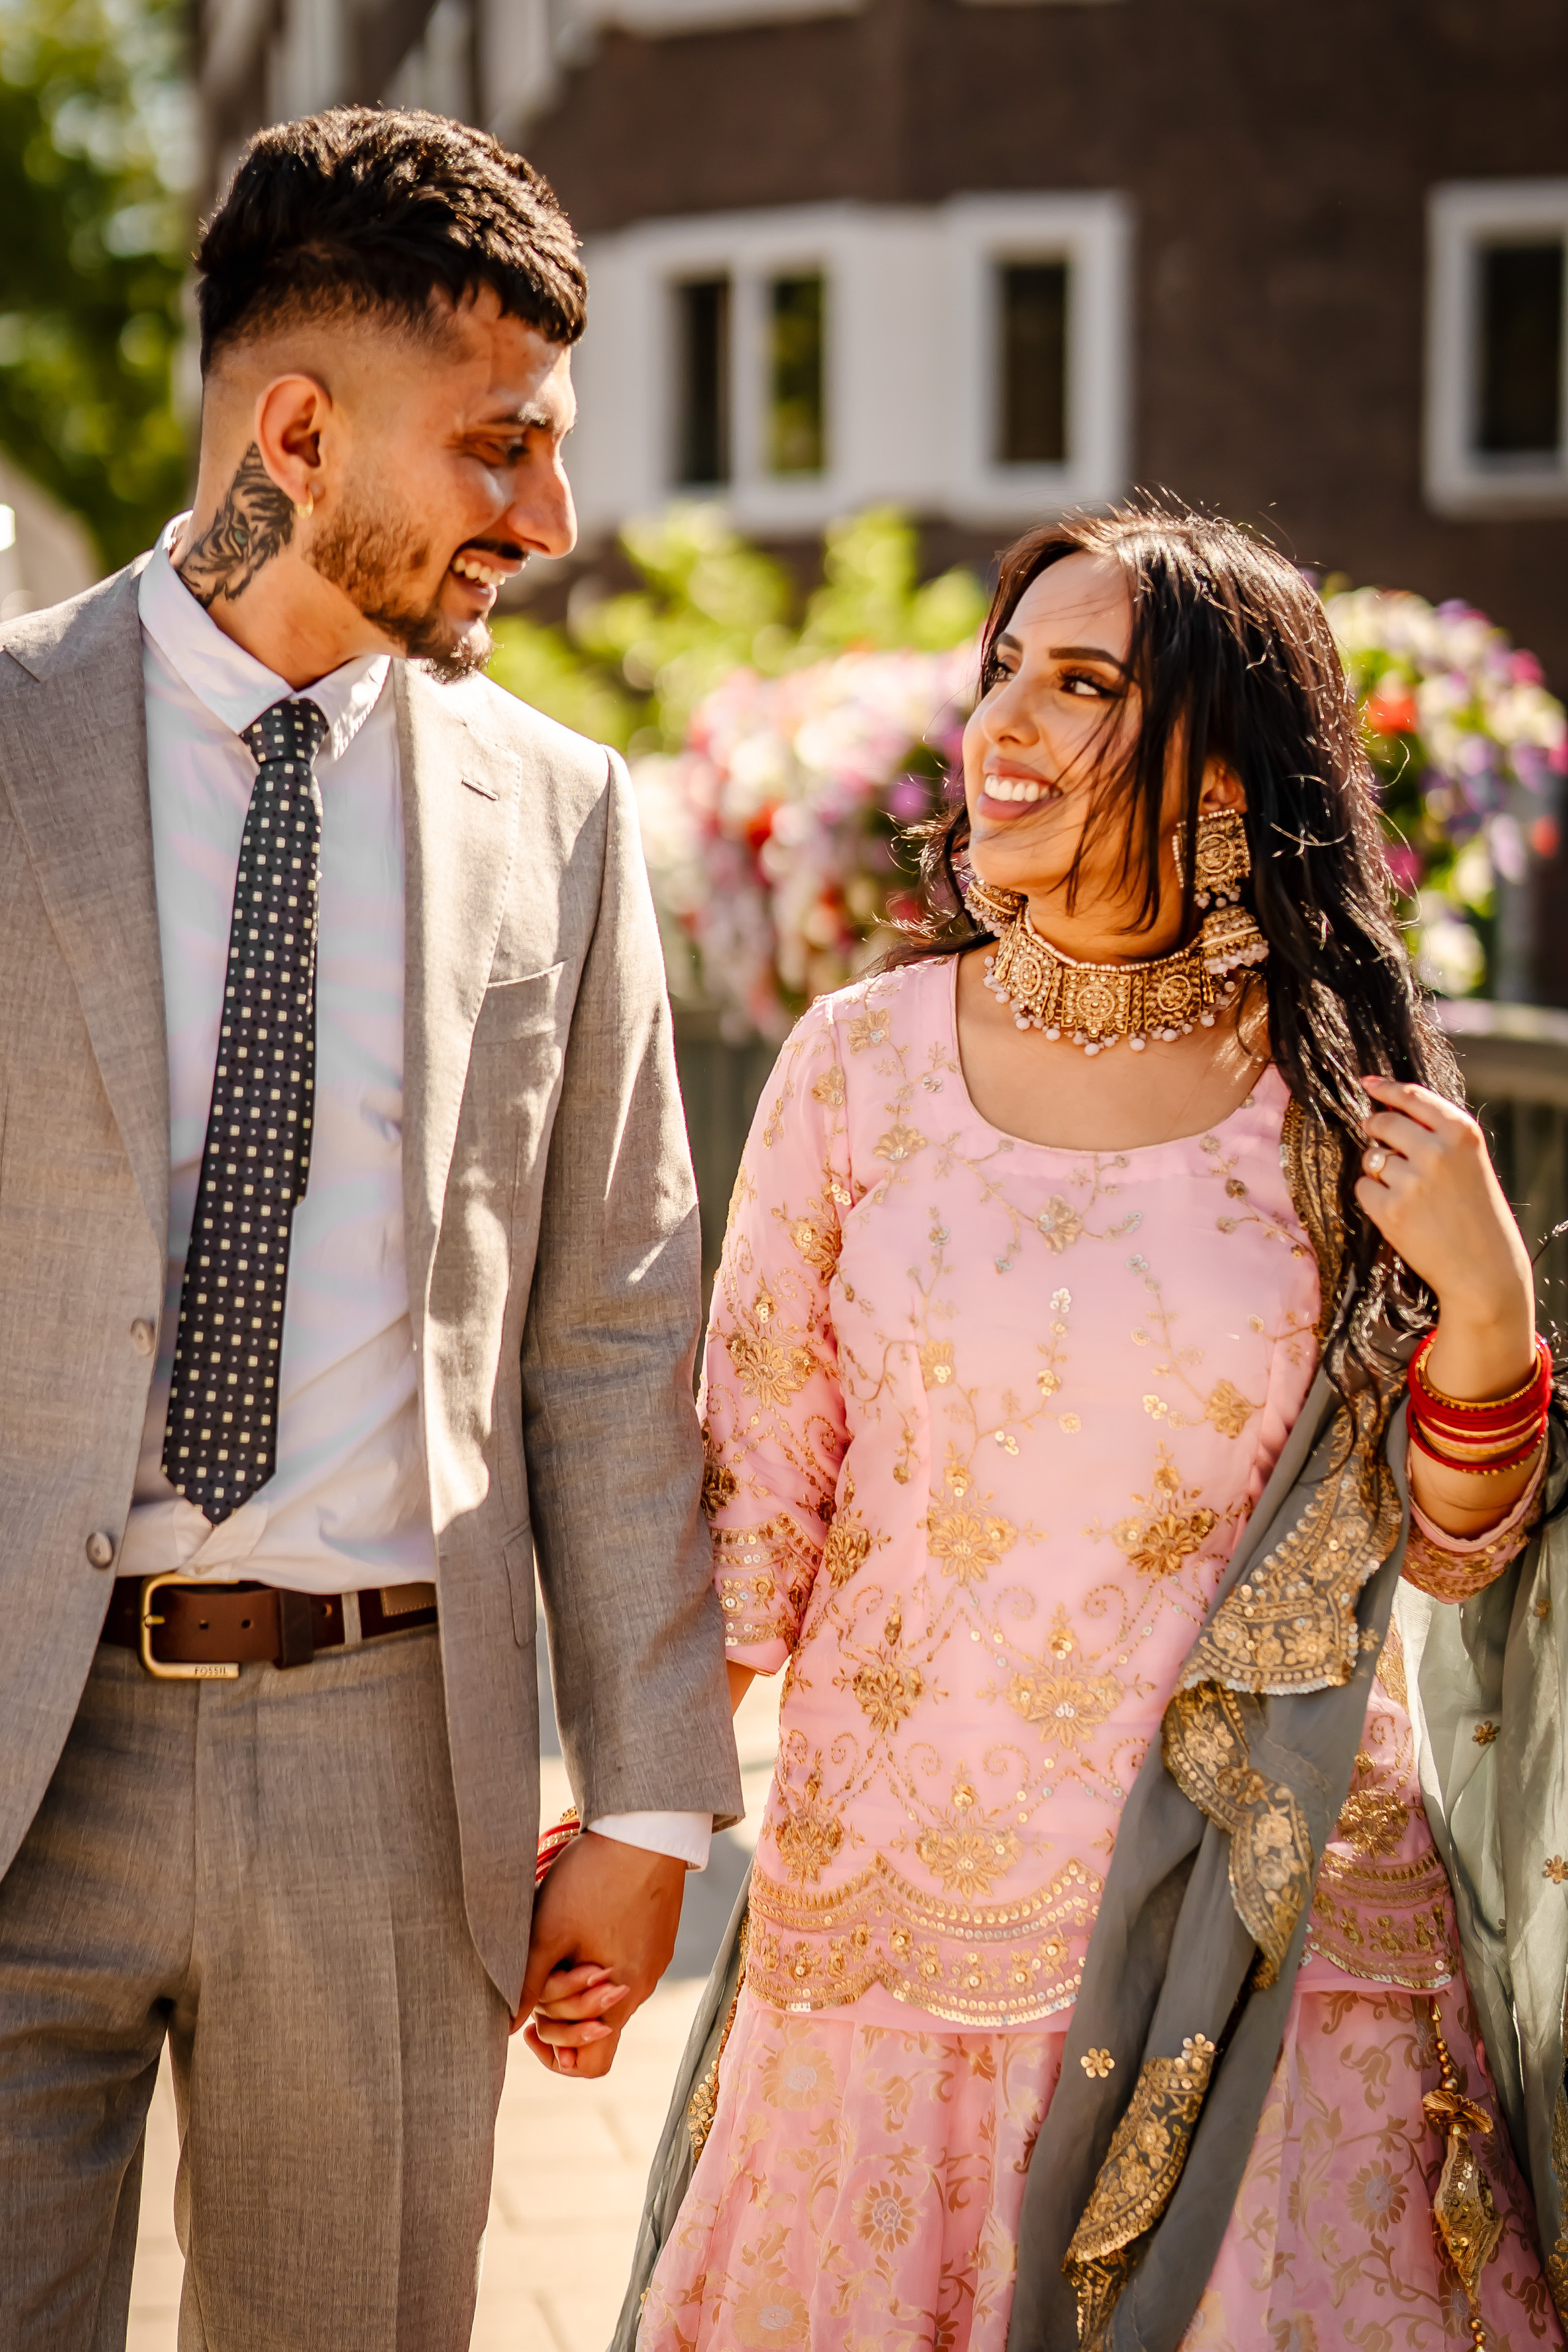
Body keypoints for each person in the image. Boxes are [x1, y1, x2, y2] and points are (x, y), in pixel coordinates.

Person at [578, 505, 1567, 2350]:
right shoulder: (858, 1068)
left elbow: (1453, 1550)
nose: (1007, 723)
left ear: (1215, 759)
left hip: (1268, 1955)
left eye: (1085, 682)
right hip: (892, 1949)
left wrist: (1492, 1307)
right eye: (1004, 672)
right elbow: (756, 1512)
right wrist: (638, 1833)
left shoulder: (1341, 1102)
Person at [0, 107, 739, 2351]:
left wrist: (653, 1795)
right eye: (502, 445)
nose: (556, 514)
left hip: (387, 1758)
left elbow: (614, 1313)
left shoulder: (564, 812)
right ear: (298, 430)